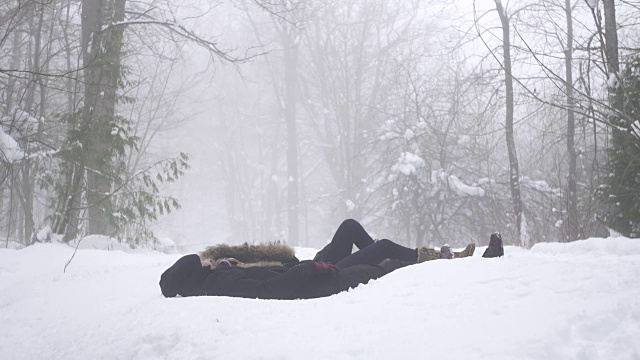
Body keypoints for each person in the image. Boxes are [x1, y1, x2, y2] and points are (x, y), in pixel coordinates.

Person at [159, 219, 476, 300]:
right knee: (383, 247)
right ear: (195, 277)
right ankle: (437, 258)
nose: (212, 263)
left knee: (349, 227)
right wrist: (312, 268)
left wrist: (239, 262)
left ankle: (388, 256)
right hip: (316, 274)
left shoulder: (222, 273)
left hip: (303, 264)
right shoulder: (220, 283)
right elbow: (272, 289)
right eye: (205, 265)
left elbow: (266, 268)